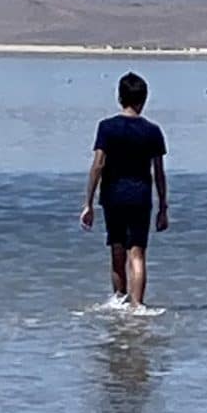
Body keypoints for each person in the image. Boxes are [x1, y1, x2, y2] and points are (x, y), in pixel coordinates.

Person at [81, 71, 169, 307]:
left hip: (113, 196)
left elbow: (98, 164)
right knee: (137, 254)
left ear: (120, 98)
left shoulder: (107, 128)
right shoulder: (153, 131)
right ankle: (137, 306)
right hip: (140, 197)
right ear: (144, 99)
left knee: (117, 251)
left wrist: (88, 202)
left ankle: (119, 301)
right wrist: (163, 207)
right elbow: (158, 173)